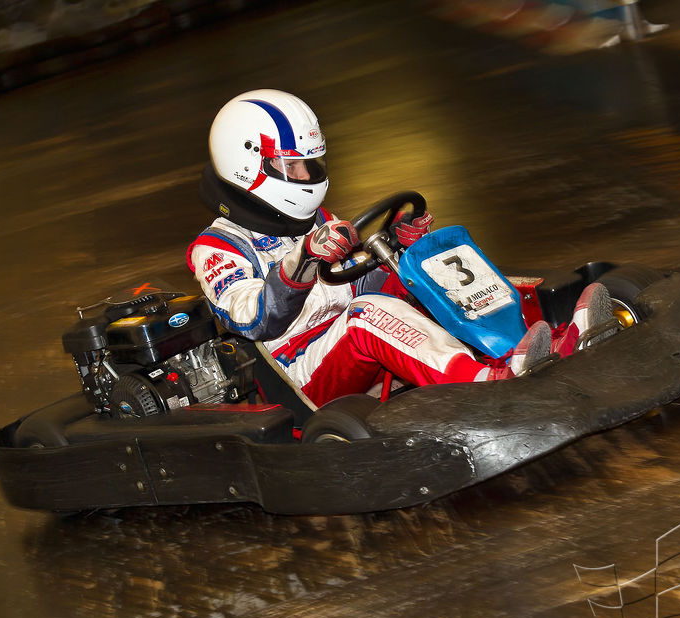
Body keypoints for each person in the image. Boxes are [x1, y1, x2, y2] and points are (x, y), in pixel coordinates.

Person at [187, 89, 611, 407]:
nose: (305, 176)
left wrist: (396, 246)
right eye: (292, 166)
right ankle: (486, 383)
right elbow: (255, 319)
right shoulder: (217, 248)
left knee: (422, 270)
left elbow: (349, 282)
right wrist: (302, 263)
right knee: (366, 315)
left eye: (310, 164)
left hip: (349, 344)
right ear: (246, 164)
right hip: (300, 375)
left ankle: (537, 343)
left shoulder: (314, 220)